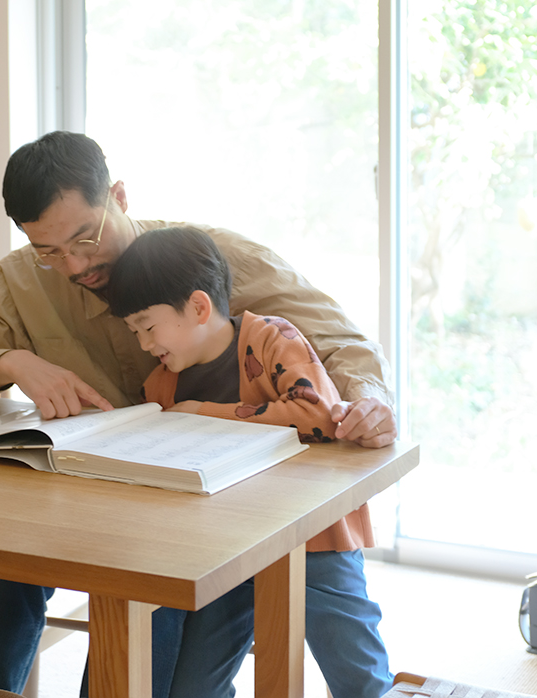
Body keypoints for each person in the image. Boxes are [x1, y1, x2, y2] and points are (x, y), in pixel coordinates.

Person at [0, 130, 397, 696]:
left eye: (83, 238)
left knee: (167, 615)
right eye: (48, 251)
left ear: (119, 196)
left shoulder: (204, 256)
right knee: (2, 561)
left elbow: (341, 341)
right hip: (88, 488)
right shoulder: (22, 280)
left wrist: (371, 403)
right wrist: (11, 362)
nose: (73, 264)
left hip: (211, 500)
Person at [105, 225, 392, 698]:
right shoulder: (161, 387)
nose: (142, 344)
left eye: (148, 326)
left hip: (312, 538)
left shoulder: (271, 339)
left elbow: (316, 413)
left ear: (198, 307)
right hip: (222, 554)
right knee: (193, 689)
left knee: (357, 677)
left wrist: (203, 416)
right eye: (134, 331)